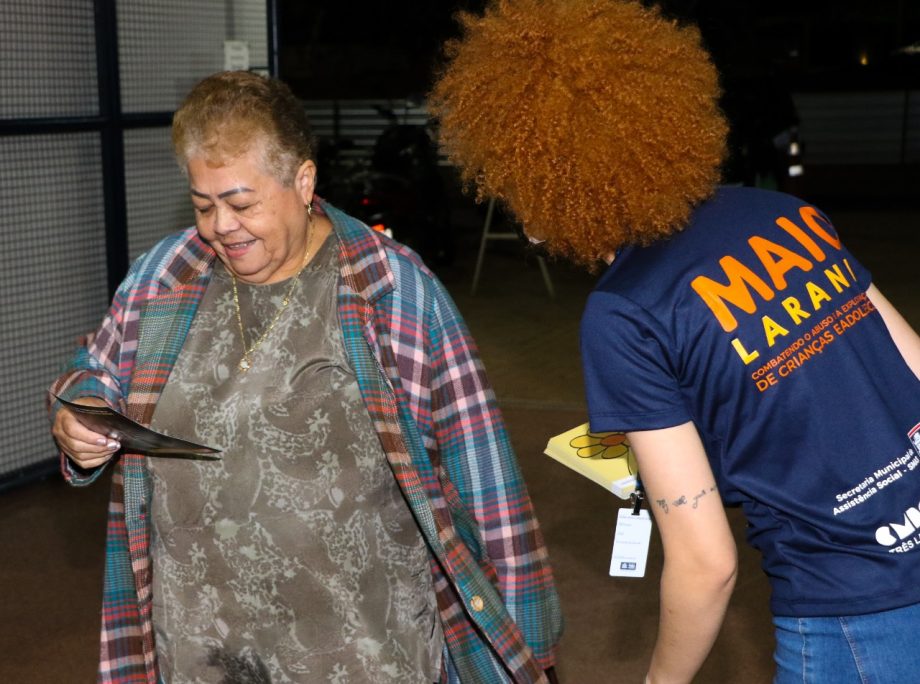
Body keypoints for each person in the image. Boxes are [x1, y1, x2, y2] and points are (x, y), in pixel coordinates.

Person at [429, 1, 920, 683]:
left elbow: (707, 561)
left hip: (850, 615)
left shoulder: (624, 313)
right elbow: (910, 365)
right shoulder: (786, 216)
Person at [49, 70, 562, 684]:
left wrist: (529, 645)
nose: (221, 226)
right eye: (202, 204)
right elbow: (95, 368)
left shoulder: (390, 289)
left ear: (303, 180)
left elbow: (484, 475)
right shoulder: (166, 275)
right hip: (199, 651)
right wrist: (78, 410)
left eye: (241, 202)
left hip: (364, 654)